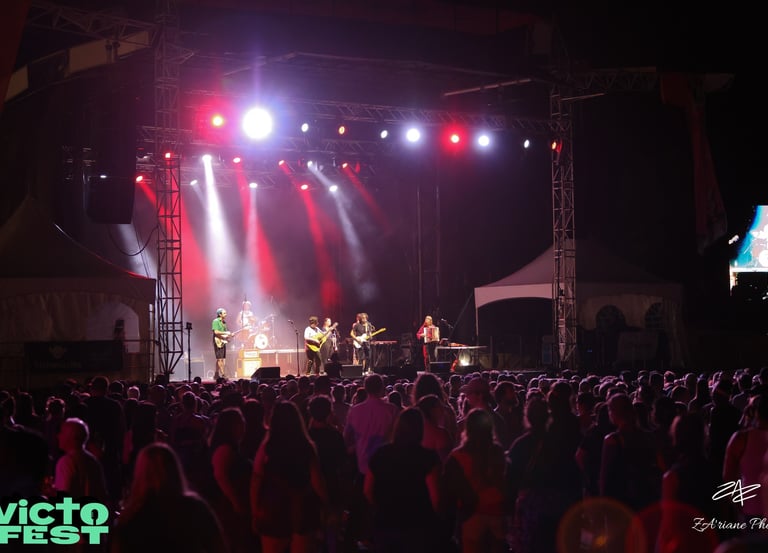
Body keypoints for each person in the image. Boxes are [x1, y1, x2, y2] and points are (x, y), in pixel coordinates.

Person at [212, 307, 230, 380]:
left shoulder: (224, 322)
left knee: (220, 358)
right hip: (217, 341)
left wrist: (228, 336)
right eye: (224, 313)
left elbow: (225, 333)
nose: (226, 314)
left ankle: (216, 374)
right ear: (220, 314)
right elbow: (216, 332)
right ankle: (223, 375)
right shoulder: (216, 321)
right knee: (220, 359)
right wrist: (226, 333)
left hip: (222, 341)